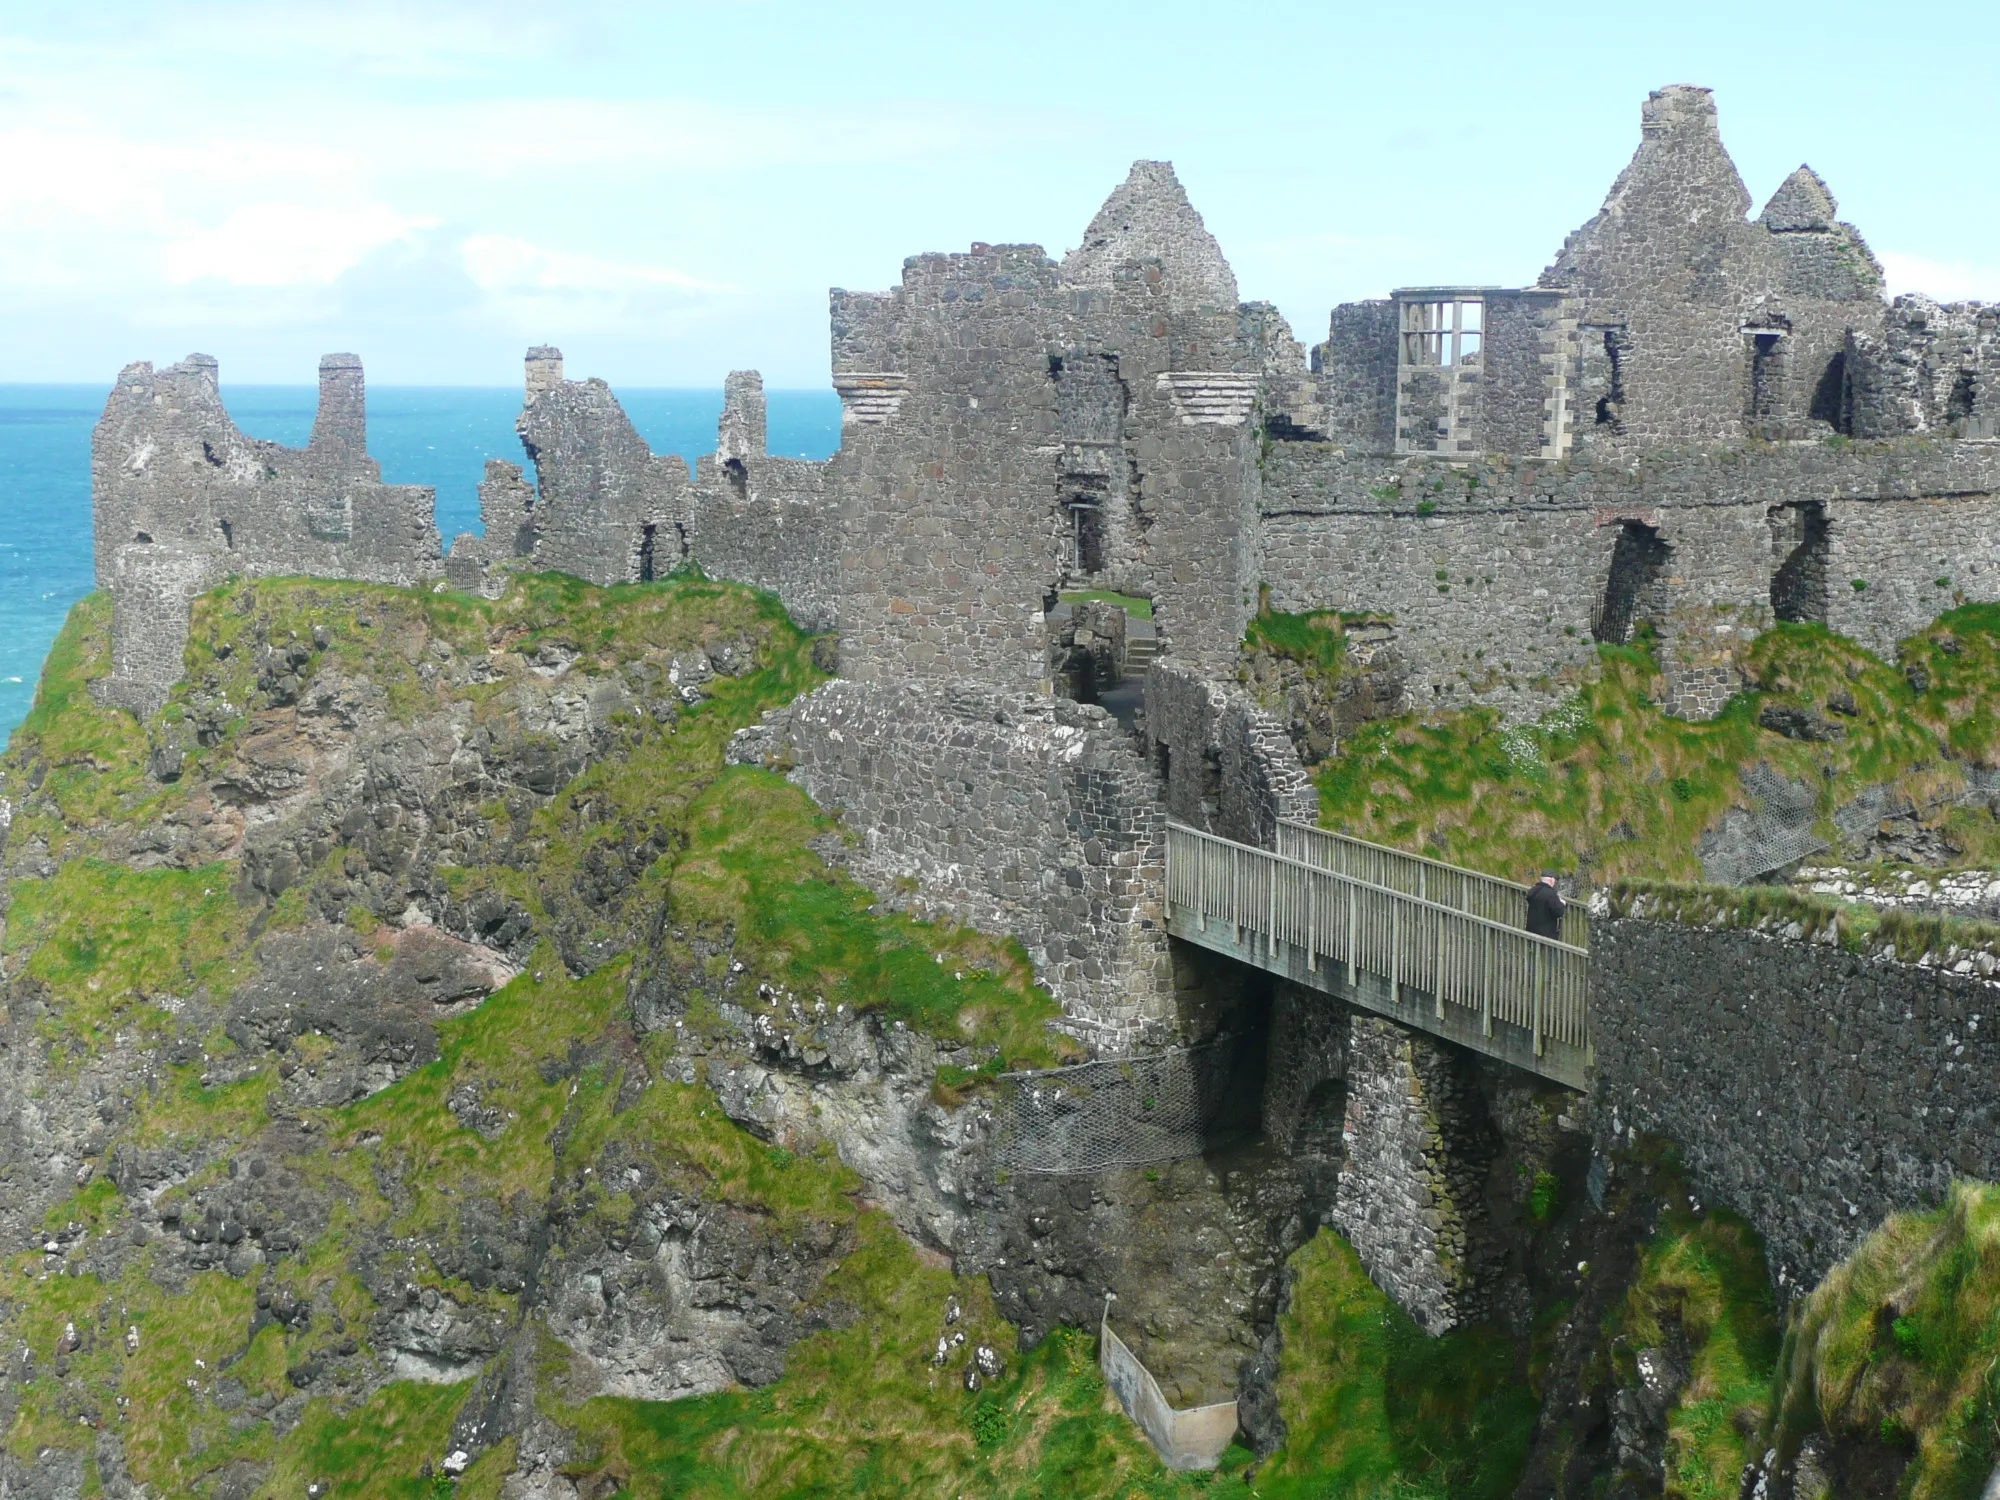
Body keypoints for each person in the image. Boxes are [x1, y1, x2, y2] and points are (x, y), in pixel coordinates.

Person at [1526, 871, 1565, 940]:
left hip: (1531, 931)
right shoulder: (1551, 894)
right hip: (1546, 934)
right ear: (1552, 880)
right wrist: (1562, 904)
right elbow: (1559, 912)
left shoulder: (1533, 890)